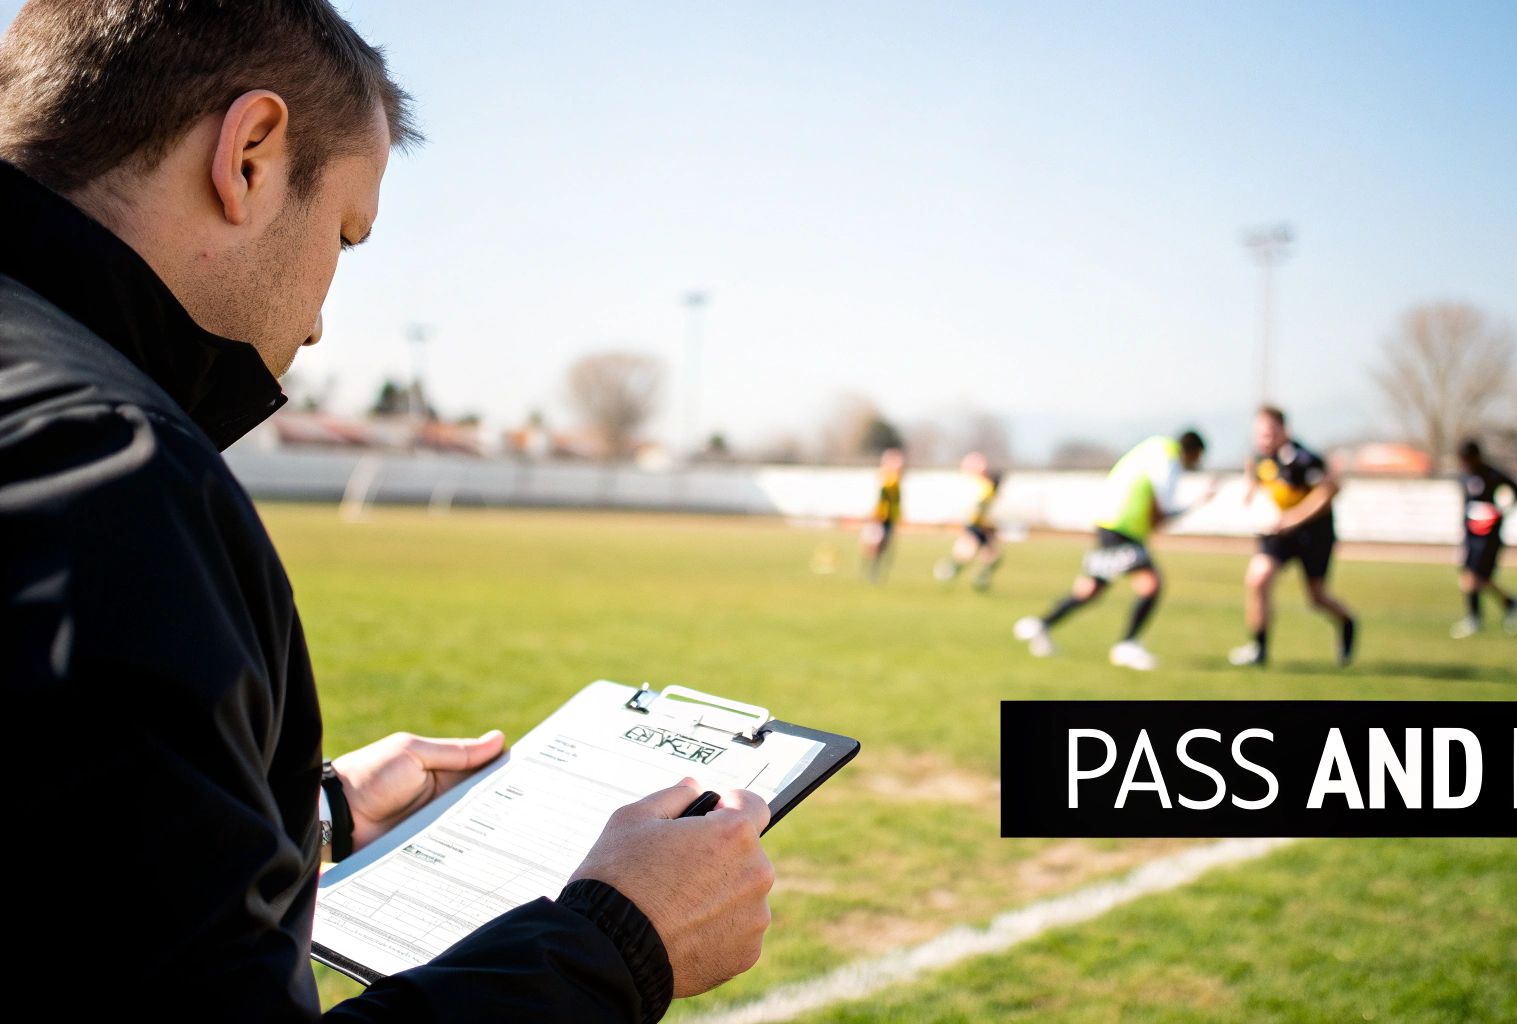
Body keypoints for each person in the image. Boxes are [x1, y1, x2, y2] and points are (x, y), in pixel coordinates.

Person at [0, 3, 772, 1020]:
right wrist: (612, 940)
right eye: (345, 235)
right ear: (250, 154)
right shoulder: (104, 461)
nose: (320, 319)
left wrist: (303, 813)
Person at [1014, 430, 1206, 671]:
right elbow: (1162, 510)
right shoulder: (1168, 458)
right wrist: (1198, 503)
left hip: (1109, 522)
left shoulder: (1153, 448)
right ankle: (1127, 646)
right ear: (1194, 452)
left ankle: (1040, 625)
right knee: (1151, 584)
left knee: (1092, 588)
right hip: (1122, 528)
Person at [1228, 407, 1358, 668]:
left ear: (1283, 430)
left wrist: (1294, 518)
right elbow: (1252, 491)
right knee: (1258, 578)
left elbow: (1330, 490)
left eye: (1269, 433)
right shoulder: (1260, 459)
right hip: (1279, 533)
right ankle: (1259, 649)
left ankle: (1347, 622)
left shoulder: (1303, 458)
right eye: (1259, 434)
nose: (1263, 439)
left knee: (1317, 597)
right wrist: (1250, 486)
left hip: (1314, 534)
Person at [1452, 439, 1517, 638]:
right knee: (1471, 577)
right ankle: (1506, 605)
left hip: (1488, 535)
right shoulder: (1464, 477)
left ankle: (1478, 618)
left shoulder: (1491, 474)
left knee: (1476, 578)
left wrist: (1502, 510)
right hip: (1471, 534)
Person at [933, 451, 1004, 591]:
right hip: (976, 526)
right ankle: (948, 570)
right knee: (968, 555)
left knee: (993, 557)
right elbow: (976, 509)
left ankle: (978, 578)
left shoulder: (986, 488)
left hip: (981, 526)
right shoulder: (982, 487)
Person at [860, 446, 905, 582]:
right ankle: (870, 570)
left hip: (889, 517)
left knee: (884, 545)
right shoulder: (884, 478)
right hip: (878, 517)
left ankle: (874, 570)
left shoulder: (896, 480)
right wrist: (875, 515)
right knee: (875, 543)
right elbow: (878, 498)